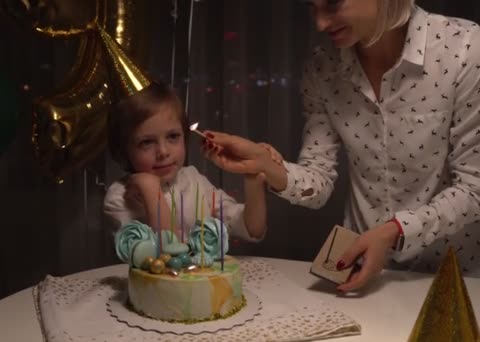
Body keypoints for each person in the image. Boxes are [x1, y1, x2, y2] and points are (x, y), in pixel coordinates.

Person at [202, 0, 480, 292]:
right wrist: (265, 164)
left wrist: (393, 232)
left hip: (455, 276)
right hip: (362, 274)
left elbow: (474, 186)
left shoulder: (464, 50)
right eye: (312, 7)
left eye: (333, 4)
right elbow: (319, 181)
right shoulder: (323, 65)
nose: (321, 24)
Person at [103, 82, 268, 243]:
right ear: (124, 149)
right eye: (147, 142)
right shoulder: (118, 199)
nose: (163, 152)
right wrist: (151, 192)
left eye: (173, 136)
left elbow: (252, 229)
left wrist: (253, 181)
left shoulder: (194, 180)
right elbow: (167, 256)